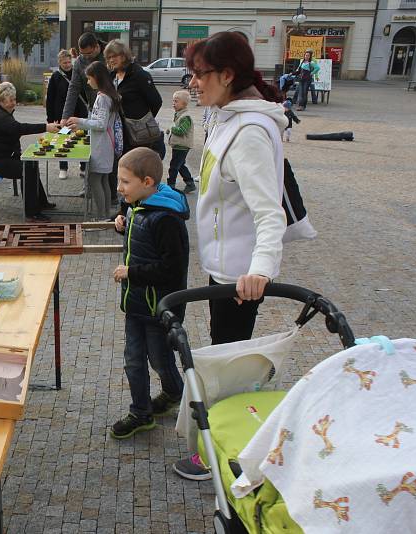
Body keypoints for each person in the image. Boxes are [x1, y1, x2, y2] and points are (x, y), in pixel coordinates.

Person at [173, 31, 287, 481]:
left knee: (230, 368)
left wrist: (259, 270)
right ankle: (229, 446)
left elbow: (269, 213)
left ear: (227, 75)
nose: (194, 83)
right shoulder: (225, 117)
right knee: (226, 358)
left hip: (240, 277)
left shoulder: (249, 133)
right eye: (193, 73)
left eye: (200, 74)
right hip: (223, 268)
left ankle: (226, 455)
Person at [109, 146, 189, 439]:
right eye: (119, 181)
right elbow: (138, 230)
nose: (119, 188)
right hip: (136, 303)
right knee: (133, 359)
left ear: (147, 183)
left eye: (125, 182)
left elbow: (172, 268)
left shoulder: (167, 219)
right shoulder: (138, 206)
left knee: (160, 359)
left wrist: (132, 273)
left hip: (159, 308)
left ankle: (177, 394)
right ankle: (140, 413)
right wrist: (122, 223)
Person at [0, 81, 61, 223]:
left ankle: (41, 202)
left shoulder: (2, 111)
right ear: (1, 101)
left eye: (14, 99)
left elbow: (14, 133)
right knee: (27, 168)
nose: (13, 103)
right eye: (10, 100)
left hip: (0, 156)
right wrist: (46, 127)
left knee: (31, 164)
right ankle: (31, 213)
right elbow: (19, 128)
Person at [64, 61, 119, 220]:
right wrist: (81, 123)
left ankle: (101, 216)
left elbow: (100, 124)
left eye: (89, 78)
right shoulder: (109, 95)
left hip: (101, 145)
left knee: (95, 179)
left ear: (97, 78)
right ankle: (106, 214)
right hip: (105, 143)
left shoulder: (102, 98)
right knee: (103, 180)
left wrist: (79, 121)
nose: (87, 82)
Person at [104, 40, 164, 161]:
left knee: (136, 168)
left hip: (138, 134)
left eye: (115, 56)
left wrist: (141, 120)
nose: (111, 60)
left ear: (124, 55)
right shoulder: (112, 76)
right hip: (119, 133)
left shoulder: (140, 75)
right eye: (109, 57)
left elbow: (156, 101)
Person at [46, 49, 87, 180]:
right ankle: (63, 168)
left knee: (82, 140)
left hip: (79, 114)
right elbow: (50, 99)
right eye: (64, 63)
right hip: (61, 116)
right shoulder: (55, 77)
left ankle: (83, 167)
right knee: (62, 141)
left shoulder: (78, 74)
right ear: (59, 62)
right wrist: (50, 119)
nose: (68, 65)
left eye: (69, 62)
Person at [166, 90, 195, 193]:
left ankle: (170, 186)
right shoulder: (179, 114)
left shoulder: (185, 117)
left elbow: (182, 131)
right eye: (173, 101)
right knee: (180, 165)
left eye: (176, 101)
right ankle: (190, 183)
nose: (173, 103)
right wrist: (171, 129)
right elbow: (176, 126)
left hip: (182, 146)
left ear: (184, 104)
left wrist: (172, 128)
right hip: (178, 145)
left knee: (174, 166)